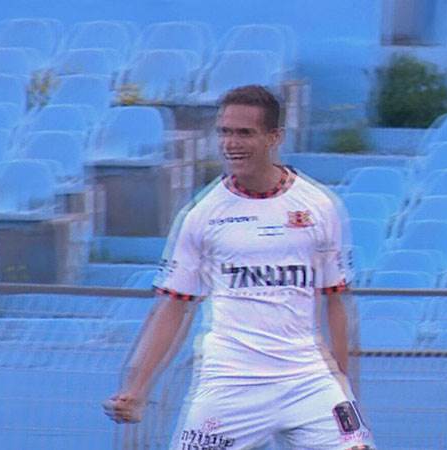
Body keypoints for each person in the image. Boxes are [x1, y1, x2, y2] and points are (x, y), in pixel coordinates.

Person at [103, 85, 376, 450]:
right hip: (230, 381)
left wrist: (344, 388)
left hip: (307, 378)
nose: (231, 143)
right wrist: (136, 389)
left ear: (274, 137)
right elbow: (173, 306)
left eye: (244, 133)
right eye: (224, 132)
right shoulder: (201, 215)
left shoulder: (320, 207)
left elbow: (337, 302)